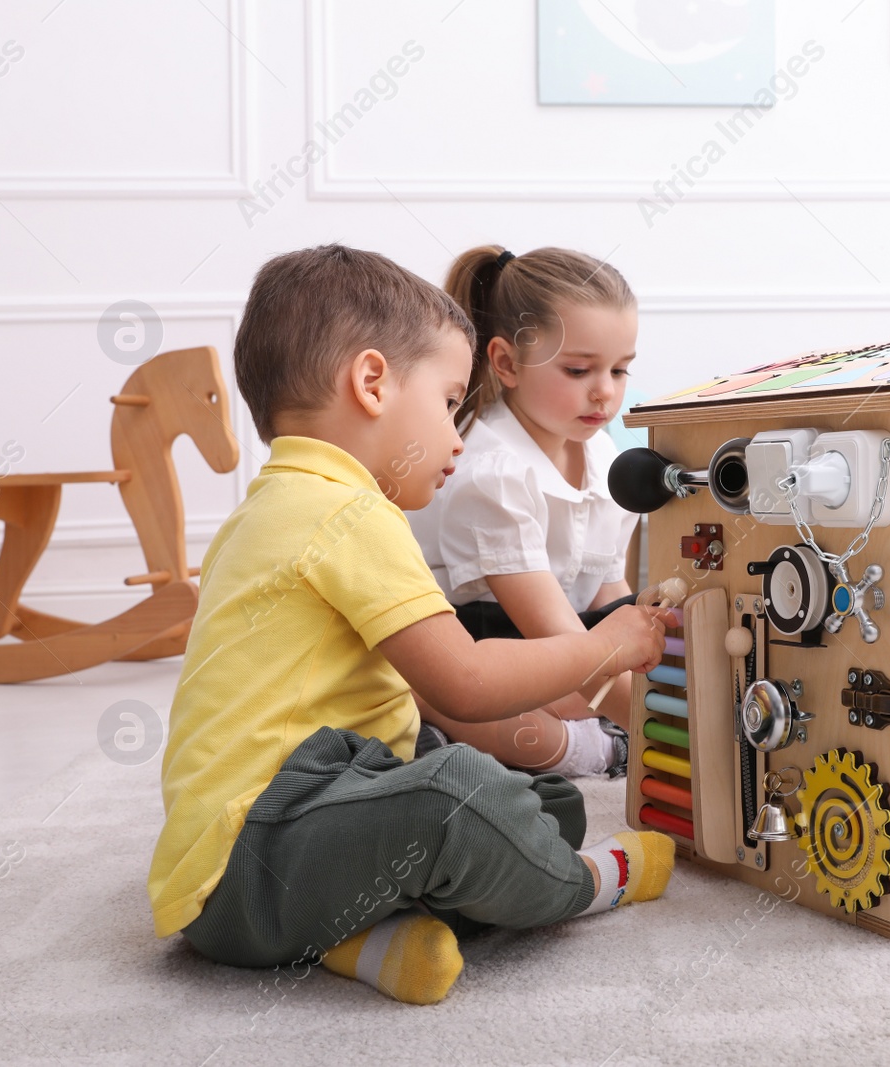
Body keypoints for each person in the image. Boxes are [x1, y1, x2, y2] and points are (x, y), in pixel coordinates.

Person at [146, 244, 674, 1005]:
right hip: (254, 860)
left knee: (541, 802)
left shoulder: (267, 507)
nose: (460, 432)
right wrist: (603, 646)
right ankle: (590, 881)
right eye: (449, 400)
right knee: (457, 796)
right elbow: (462, 684)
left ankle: (354, 941)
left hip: (283, 856)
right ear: (370, 383)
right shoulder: (349, 510)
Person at [405, 245, 642, 778]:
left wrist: (647, 655)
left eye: (621, 370)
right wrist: (664, 731)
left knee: (673, 659)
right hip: (494, 646)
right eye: (579, 370)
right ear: (507, 364)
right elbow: (556, 638)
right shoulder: (491, 474)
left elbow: (606, 587)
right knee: (476, 710)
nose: (605, 392)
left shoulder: (605, 459)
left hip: (566, 646)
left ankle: (602, 725)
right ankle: (597, 749)